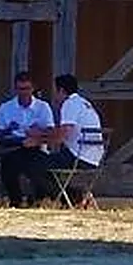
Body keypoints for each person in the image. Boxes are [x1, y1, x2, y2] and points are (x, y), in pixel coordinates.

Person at [0, 72, 54, 207]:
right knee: (9, 165)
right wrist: (8, 129)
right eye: (20, 89)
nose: (23, 92)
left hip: (36, 146)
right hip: (13, 146)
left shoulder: (42, 107)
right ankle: (16, 200)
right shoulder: (6, 108)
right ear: (15, 89)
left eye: (27, 89)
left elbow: (51, 130)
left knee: (37, 165)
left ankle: (38, 199)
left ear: (33, 89)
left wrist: (38, 132)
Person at [44, 74, 103, 206]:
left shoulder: (69, 104)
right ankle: (76, 196)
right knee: (49, 162)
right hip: (93, 158)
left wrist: (38, 140)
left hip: (79, 158)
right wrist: (44, 133)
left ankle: (70, 199)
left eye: (55, 90)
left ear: (62, 91)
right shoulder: (84, 103)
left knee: (38, 164)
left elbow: (63, 135)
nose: (54, 95)